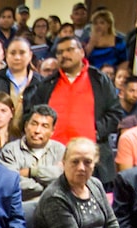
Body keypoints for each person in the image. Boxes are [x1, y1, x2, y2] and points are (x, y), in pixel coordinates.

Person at [22, 35, 119, 183]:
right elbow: (33, 114)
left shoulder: (99, 80)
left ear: (81, 52)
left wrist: (97, 130)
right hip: (54, 161)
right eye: (60, 52)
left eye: (69, 50)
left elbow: (115, 112)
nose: (64, 55)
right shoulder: (47, 84)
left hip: (91, 158)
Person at [0, 103, 65, 201]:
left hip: (53, 207)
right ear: (26, 126)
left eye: (45, 126)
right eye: (34, 124)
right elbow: (11, 182)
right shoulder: (9, 151)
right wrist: (49, 187)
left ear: (52, 131)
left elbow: (66, 180)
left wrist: (30, 172)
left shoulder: (61, 150)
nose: (37, 130)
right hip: (20, 207)